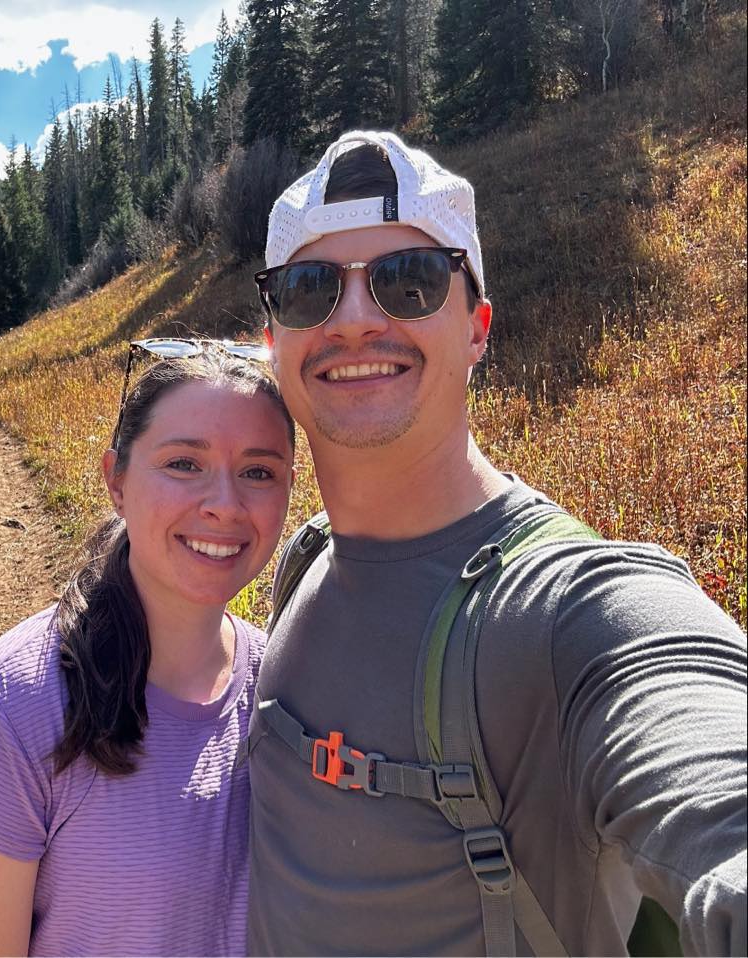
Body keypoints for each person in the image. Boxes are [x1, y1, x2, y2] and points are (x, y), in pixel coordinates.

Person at [246, 130, 747, 957]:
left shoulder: (574, 609)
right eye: (310, 290)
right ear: (275, 339)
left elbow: (699, 747)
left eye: (408, 281)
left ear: (477, 327)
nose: (356, 318)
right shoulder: (301, 563)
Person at [0, 340, 295, 957]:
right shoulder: (5, 713)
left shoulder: (286, 687)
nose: (224, 503)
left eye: (258, 471)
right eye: (184, 464)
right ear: (116, 478)